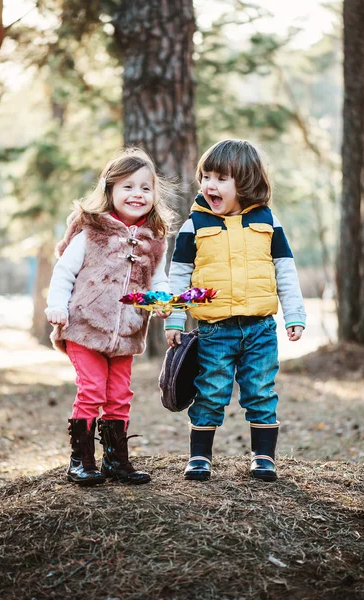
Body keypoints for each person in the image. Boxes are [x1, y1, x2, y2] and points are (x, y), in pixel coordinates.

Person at [165, 139, 306, 482]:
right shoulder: (194, 225)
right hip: (215, 329)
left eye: (221, 178)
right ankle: (199, 457)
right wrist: (174, 317)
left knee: (260, 390)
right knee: (211, 391)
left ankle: (263, 458)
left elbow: (285, 270)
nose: (210, 185)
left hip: (260, 328)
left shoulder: (268, 222)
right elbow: (179, 276)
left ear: (245, 182)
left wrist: (295, 315)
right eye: (206, 176)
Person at [46, 148, 174, 486]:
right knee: (91, 390)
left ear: (154, 195)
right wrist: (57, 306)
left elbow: (157, 279)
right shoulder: (91, 233)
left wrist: (161, 300)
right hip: (84, 328)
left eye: (145, 188)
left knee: (119, 395)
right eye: (128, 186)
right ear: (110, 190)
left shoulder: (153, 240)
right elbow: (64, 272)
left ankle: (116, 460)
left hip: (127, 333)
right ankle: (80, 460)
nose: (137, 194)